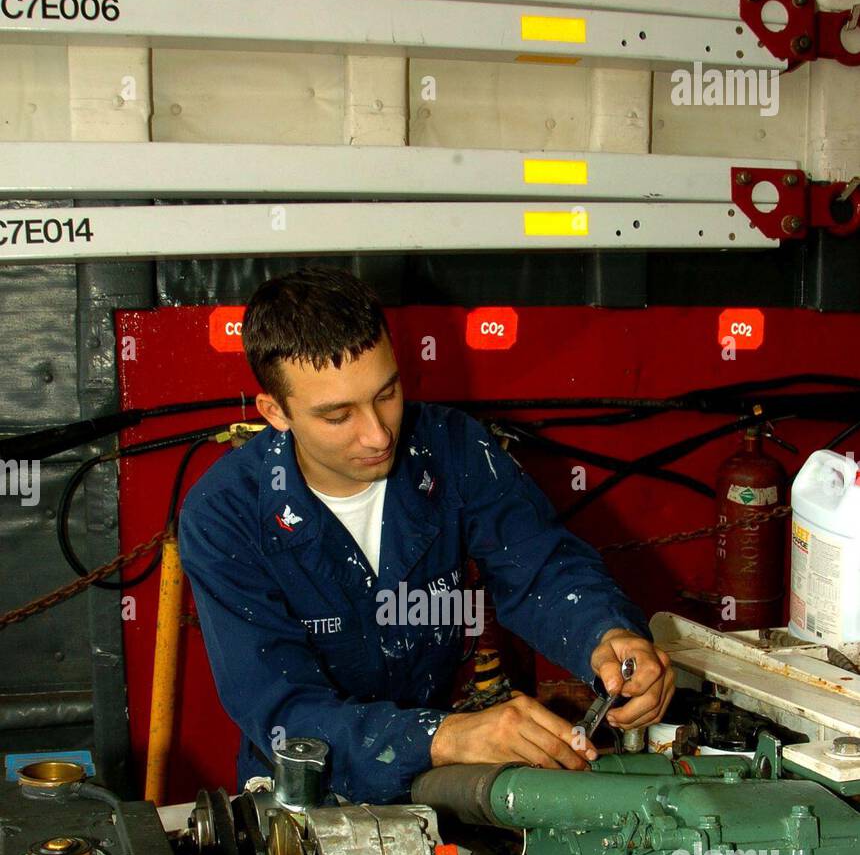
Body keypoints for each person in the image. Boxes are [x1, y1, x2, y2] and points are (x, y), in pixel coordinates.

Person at [179, 267, 674, 803]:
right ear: (276, 412)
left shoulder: (452, 447)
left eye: (386, 393)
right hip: (306, 792)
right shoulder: (225, 513)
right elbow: (281, 707)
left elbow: (541, 569)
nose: (378, 433)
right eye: (337, 415)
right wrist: (441, 736)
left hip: (439, 777)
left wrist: (606, 636)